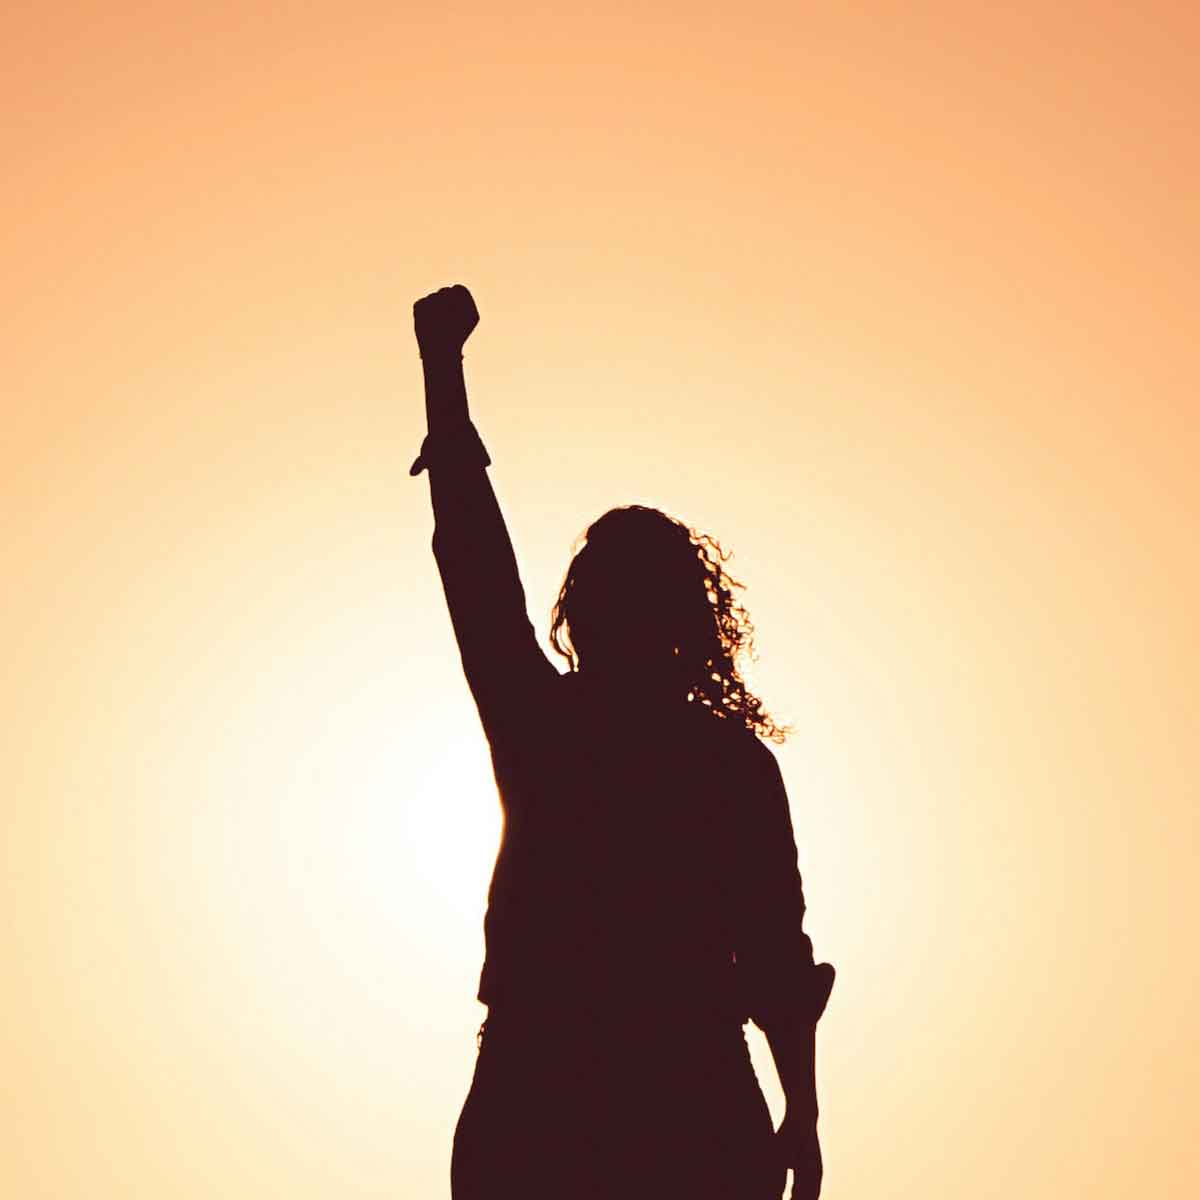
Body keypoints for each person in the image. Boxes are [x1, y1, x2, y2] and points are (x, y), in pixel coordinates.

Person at [410, 284, 835, 1199]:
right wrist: (800, 1112)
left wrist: (442, 374)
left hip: (578, 1096)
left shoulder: (552, 728)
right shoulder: (721, 762)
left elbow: (474, 565)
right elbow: (776, 963)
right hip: (650, 1097)